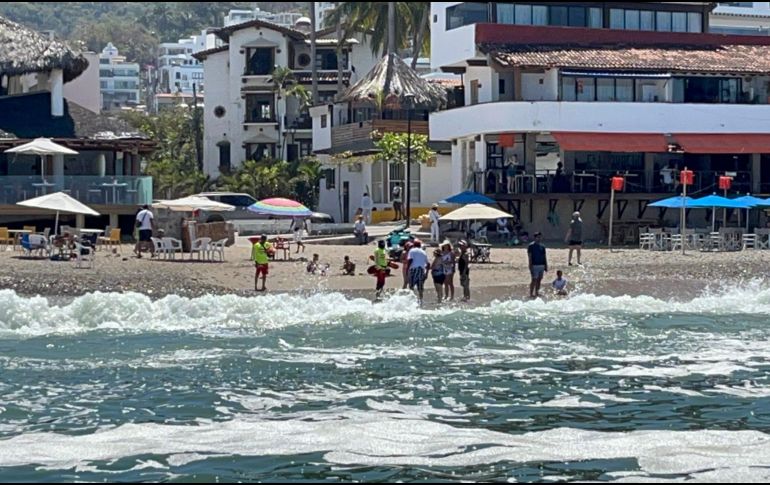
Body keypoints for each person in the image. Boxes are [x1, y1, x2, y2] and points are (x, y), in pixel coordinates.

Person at [527, 232, 548, 299]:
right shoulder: (531, 246)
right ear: (535, 238)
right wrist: (530, 265)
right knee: (534, 279)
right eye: (537, 237)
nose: (539, 239)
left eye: (540, 237)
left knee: (539, 280)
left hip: (541, 265)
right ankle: (531, 293)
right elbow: (530, 256)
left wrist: (546, 265)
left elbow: (544, 256)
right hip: (534, 265)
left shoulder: (542, 246)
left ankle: (537, 292)